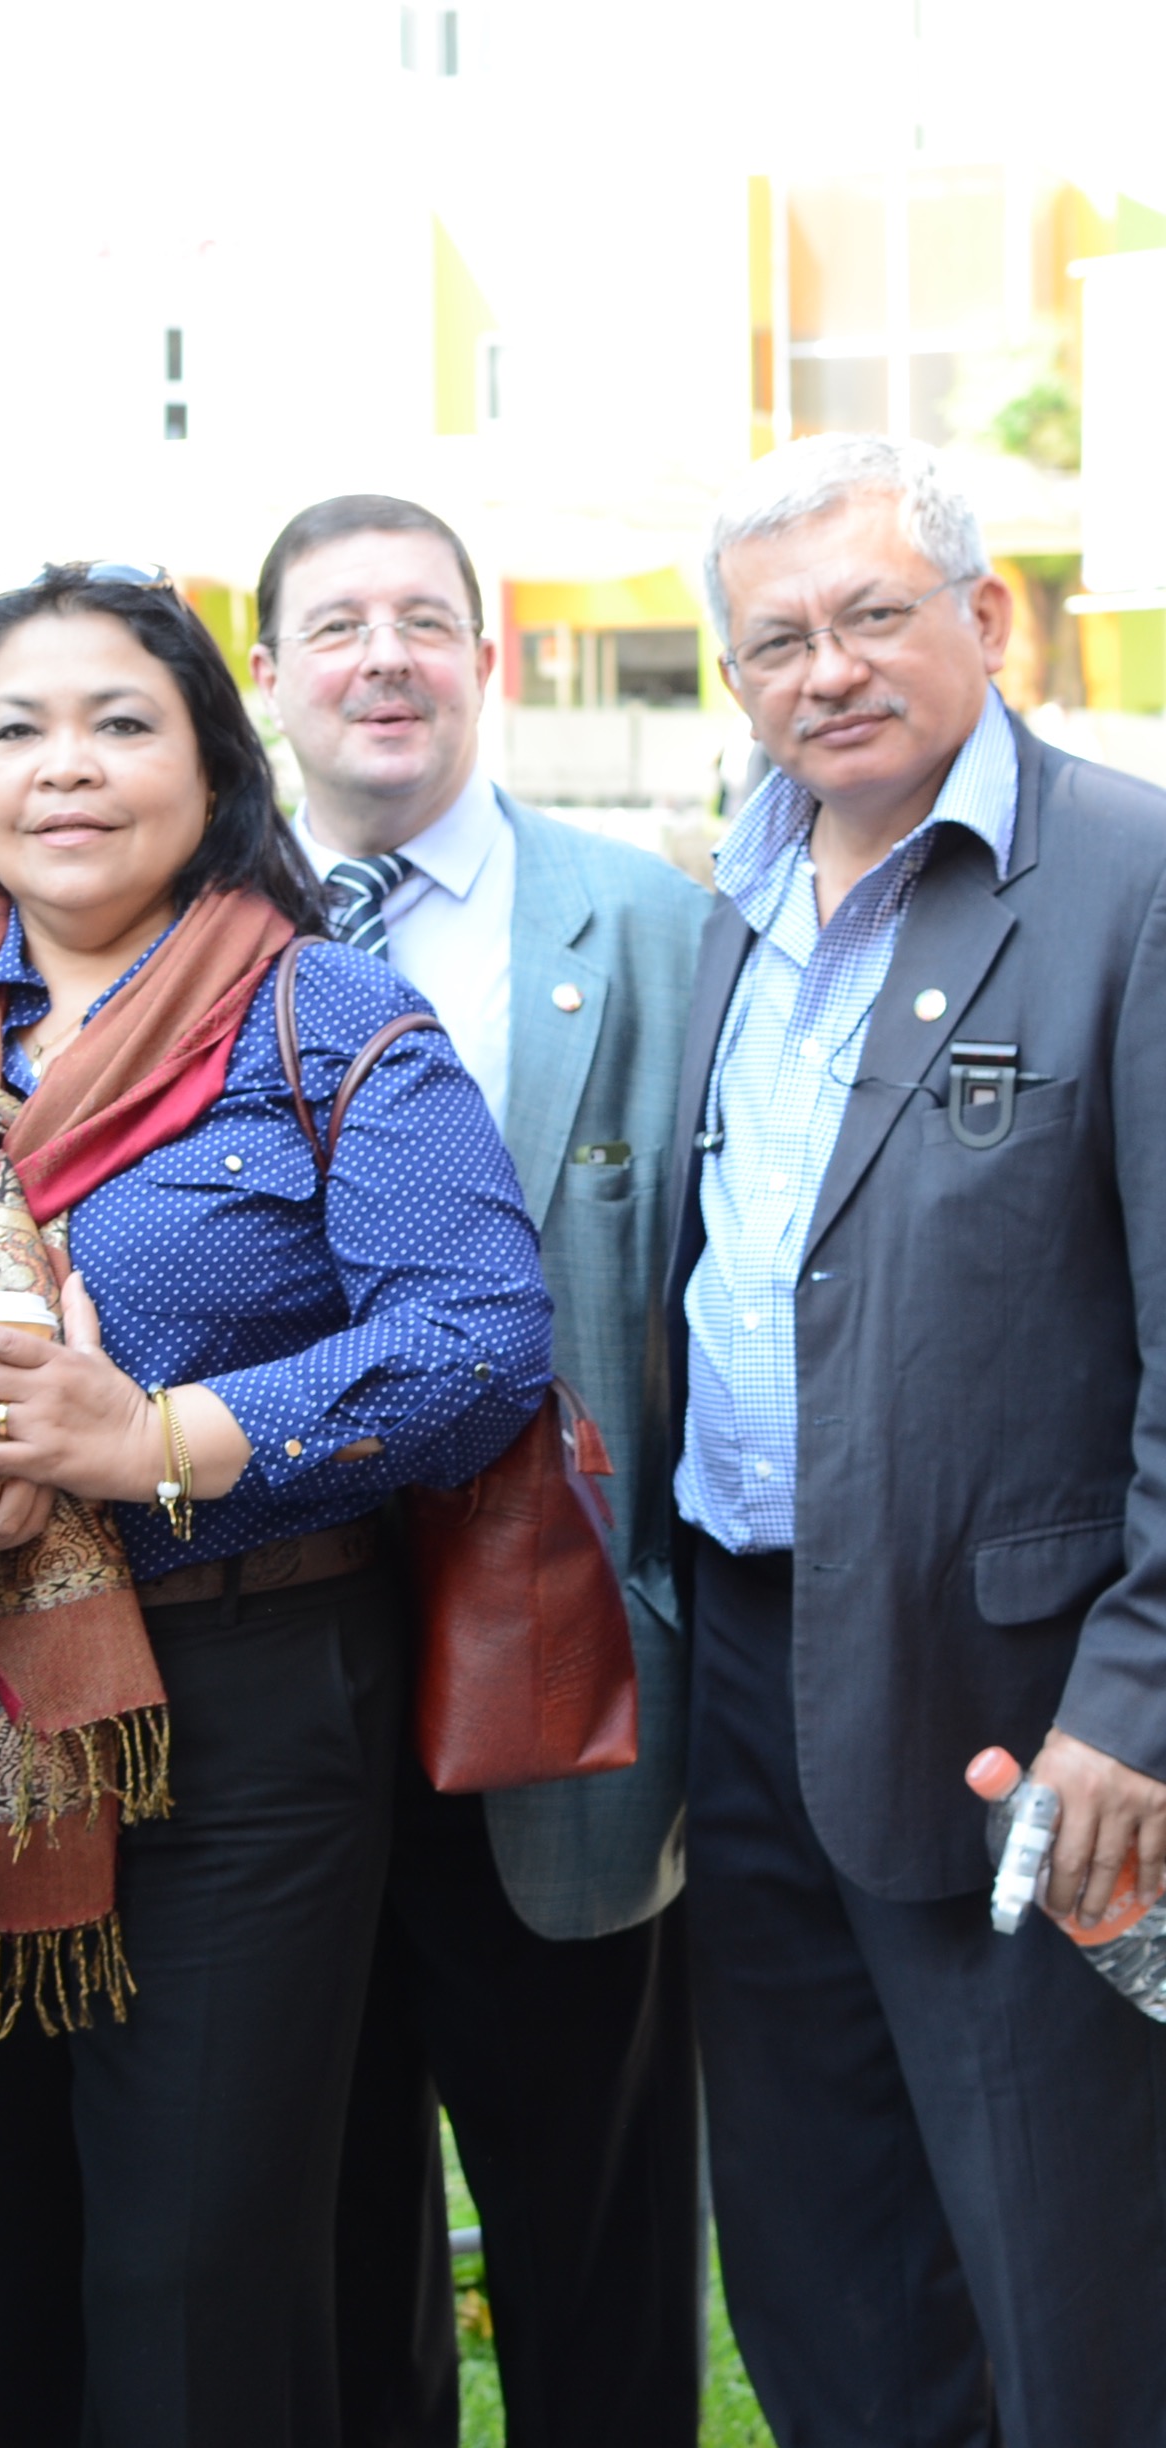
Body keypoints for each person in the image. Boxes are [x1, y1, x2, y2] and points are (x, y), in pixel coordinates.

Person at [0, 564, 552, 2447]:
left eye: (121, 720)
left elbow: (482, 1335)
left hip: (252, 1703)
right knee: (2, 2254)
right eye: (15, 729)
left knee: (197, 2276)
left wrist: (156, 1436)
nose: (68, 768)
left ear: (212, 753)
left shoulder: (326, 1016)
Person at [663, 432, 1166, 2448]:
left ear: (987, 617)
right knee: (815, 2267)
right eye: (776, 639)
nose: (828, 669)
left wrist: (1134, 1700)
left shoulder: (1127, 885)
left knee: (1068, 2281)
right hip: (749, 1678)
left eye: (875, 615)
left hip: (1026, 1711)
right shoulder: (737, 895)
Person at [251, 496, 711, 2448]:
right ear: (267, 675)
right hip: (268, 1711)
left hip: (571, 1706)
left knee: (591, 2249)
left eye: (425, 619)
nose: (383, 655)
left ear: (487, 662)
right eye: (335, 623)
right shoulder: (188, 947)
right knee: (329, 2253)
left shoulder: (660, 924)